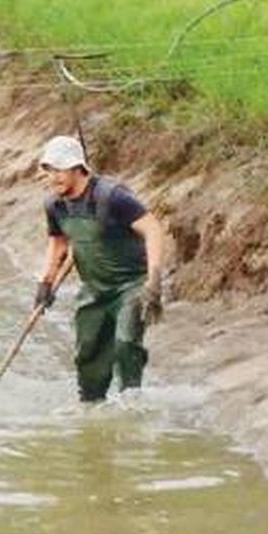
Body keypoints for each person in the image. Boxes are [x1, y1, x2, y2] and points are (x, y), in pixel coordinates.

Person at [33, 136, 165, 403]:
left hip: (132, 284)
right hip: (94, 288)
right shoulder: (55, 206)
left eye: (60, 169)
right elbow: (58, 245)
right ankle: (92, 405)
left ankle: (131, 402)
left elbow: (153, 230)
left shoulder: (112, 196)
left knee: (126, 342)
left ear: (77, 168)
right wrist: (45, 283)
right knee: (87, 352)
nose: (53, 177)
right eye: (49, 170)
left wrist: (154, 280)